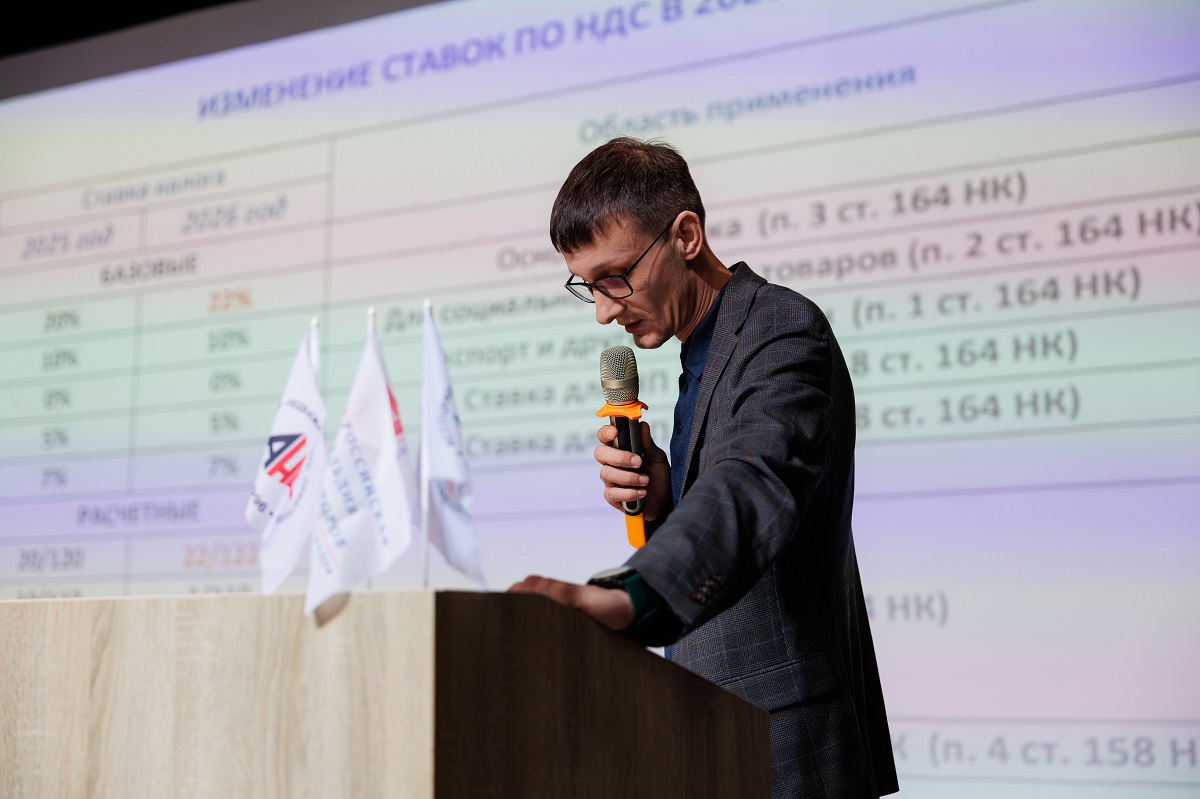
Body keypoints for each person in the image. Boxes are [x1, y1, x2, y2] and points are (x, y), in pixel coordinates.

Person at [509, 137, 898, 798]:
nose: (603, 310)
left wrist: (629, 596)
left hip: (787, 746)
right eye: (588, 286)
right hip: (713, 734)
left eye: (615, 277)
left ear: (686, 235)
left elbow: (751, 485)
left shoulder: (781, 329)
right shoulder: (702, 356)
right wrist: (664, 501)